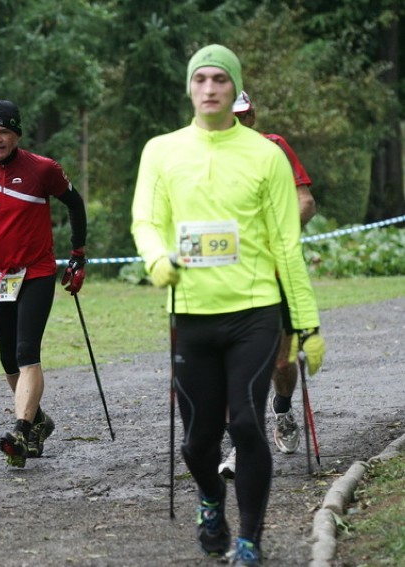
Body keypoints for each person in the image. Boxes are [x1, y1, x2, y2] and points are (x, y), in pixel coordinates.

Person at [130, 45, 325, 566]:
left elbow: (287, 243)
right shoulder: (162, 151)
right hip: (192, 314)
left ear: (233, 88)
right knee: (198, 443)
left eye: (220, 79)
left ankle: (250, 540)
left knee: (245, 423)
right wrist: (155, 259)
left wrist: (306, 324)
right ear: (190, 88)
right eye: (202, 79)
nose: (211, 88)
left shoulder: (266, 154)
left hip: (255, 311)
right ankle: (211, 500)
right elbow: (146, 220)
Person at [0, 100, 87, 468]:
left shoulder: (42, 169)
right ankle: (39, 422)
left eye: (3, 132)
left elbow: (75, 204)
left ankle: (21, 428)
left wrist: (78, 253)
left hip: (37, 271)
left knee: (26, 352)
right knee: (7, 356)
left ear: (16, 134)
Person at [218, 90, 318, 479]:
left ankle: (282, 407)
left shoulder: (273, 148)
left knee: (281, 361)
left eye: (242, 117)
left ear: (253, 117)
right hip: (225, 278)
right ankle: (244, 443)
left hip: (274, 273)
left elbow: (306, 201)